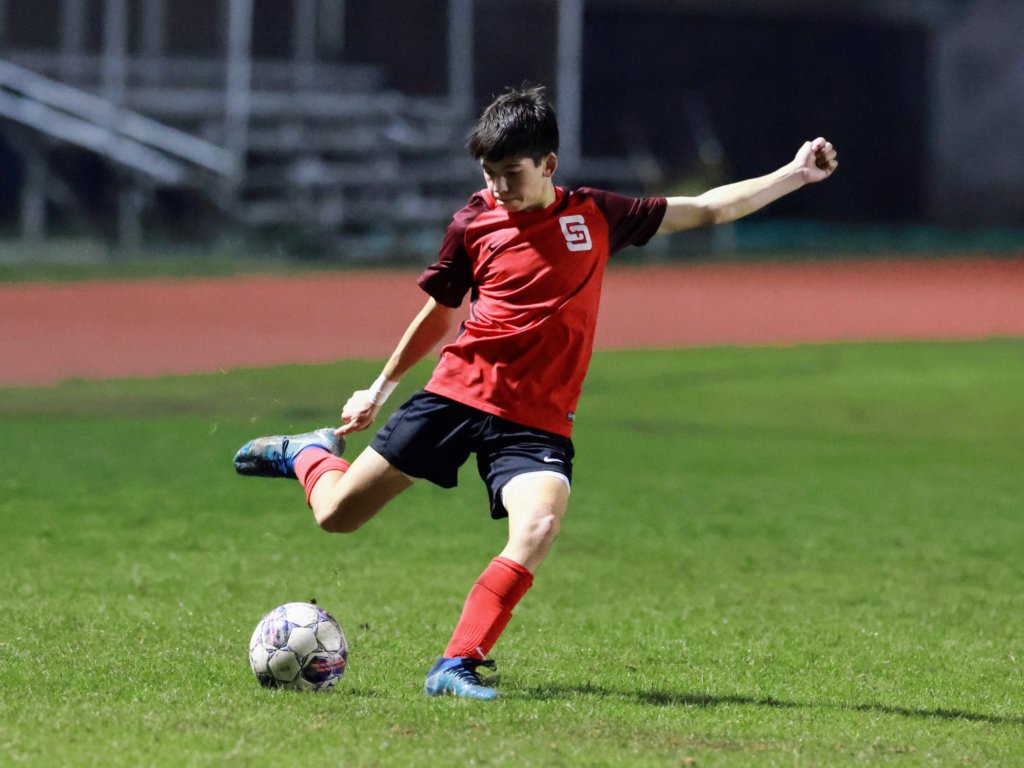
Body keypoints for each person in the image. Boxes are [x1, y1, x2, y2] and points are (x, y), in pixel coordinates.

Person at [233, 85, 838, 699]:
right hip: (458, 393)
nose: (498, 187)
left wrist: (794, 174)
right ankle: (307, 453)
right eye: (489, 174)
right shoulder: (472, 222)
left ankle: (455, 665)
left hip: (538, 421)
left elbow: (708, 208)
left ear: (549, 165)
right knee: (337, 516)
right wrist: (379, 387)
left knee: (540, 524)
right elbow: (439, 315)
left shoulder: (596, 215)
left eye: (511, 174)